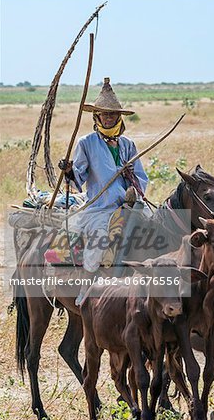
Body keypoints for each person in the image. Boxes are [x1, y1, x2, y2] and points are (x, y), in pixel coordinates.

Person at [59, 77, 148, 305]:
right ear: (96, 117)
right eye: (104, 114)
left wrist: (133, 187)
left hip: (129, 207)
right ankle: (87, 287)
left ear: (119, 117)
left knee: (155, 230)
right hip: (100, 208)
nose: (109, 118)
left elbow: (141, 178)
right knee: (98, 240)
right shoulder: (86, 143)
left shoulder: (128, 144)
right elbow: (77, 176)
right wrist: (69, 170)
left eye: (113, 114)